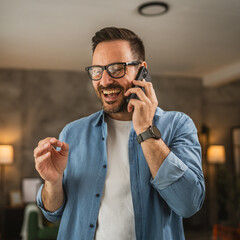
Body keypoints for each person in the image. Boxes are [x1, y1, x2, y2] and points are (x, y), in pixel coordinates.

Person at [34, 27, 205, 240]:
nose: (104, 81)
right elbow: (53, 213)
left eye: (116, 68)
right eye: (97, 70)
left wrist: (146, 131)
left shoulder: (178, 125)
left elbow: (188, 204)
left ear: (142, 70)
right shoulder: (72, 133)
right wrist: (53, 182)